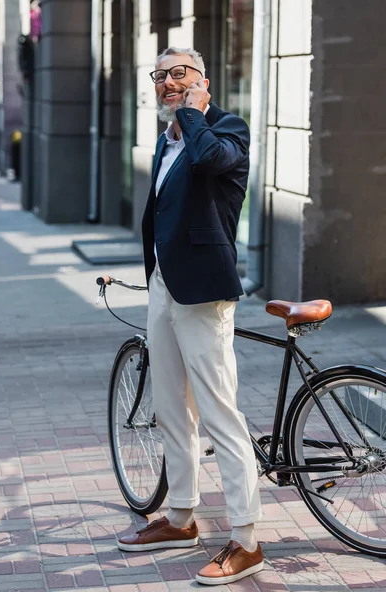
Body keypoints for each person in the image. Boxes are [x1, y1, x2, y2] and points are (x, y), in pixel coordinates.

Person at [117, 46, 263, 586]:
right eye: (161, 76)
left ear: (202, 81)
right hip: (164, 287)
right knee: (169, 409)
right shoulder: (166, 140)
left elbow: (211, 163)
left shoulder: (226, 129)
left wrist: (196, 115)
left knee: (220, 414)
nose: (168, 83)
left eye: (180, 74)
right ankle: (181, 517)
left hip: (203, 293)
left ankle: (246, 538)